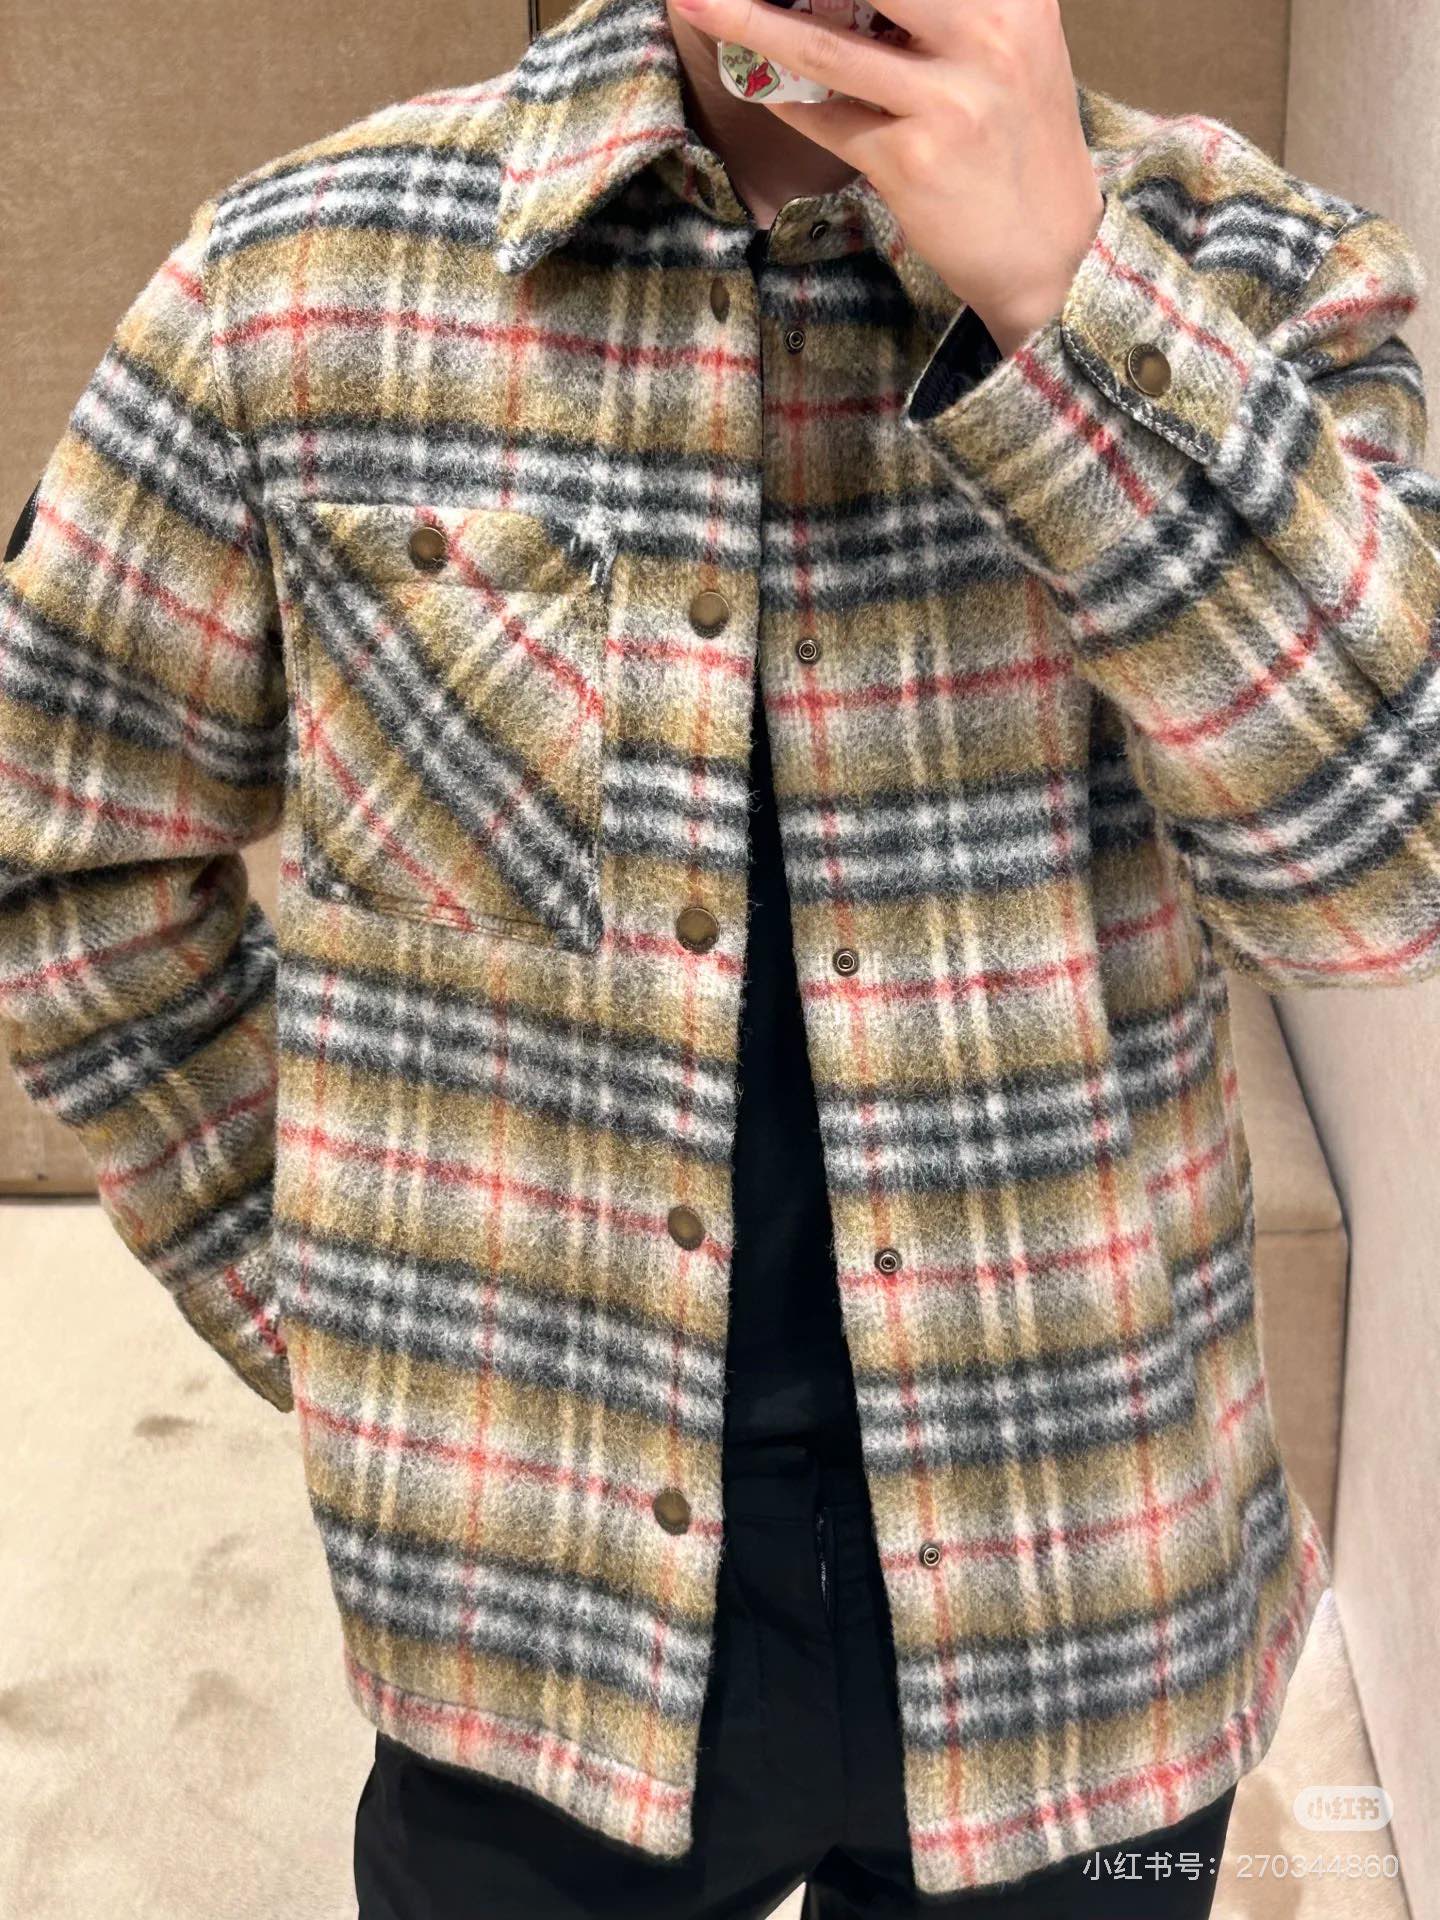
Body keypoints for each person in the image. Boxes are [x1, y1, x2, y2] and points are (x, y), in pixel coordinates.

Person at [2, 0, 1434, 1914]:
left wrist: (1072, 301)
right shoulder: (297, 280)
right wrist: (336, 1304)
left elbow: (1384, 878)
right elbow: (67, 841)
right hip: (530, 1603)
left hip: (1092, 1589)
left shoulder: (1251, 265)